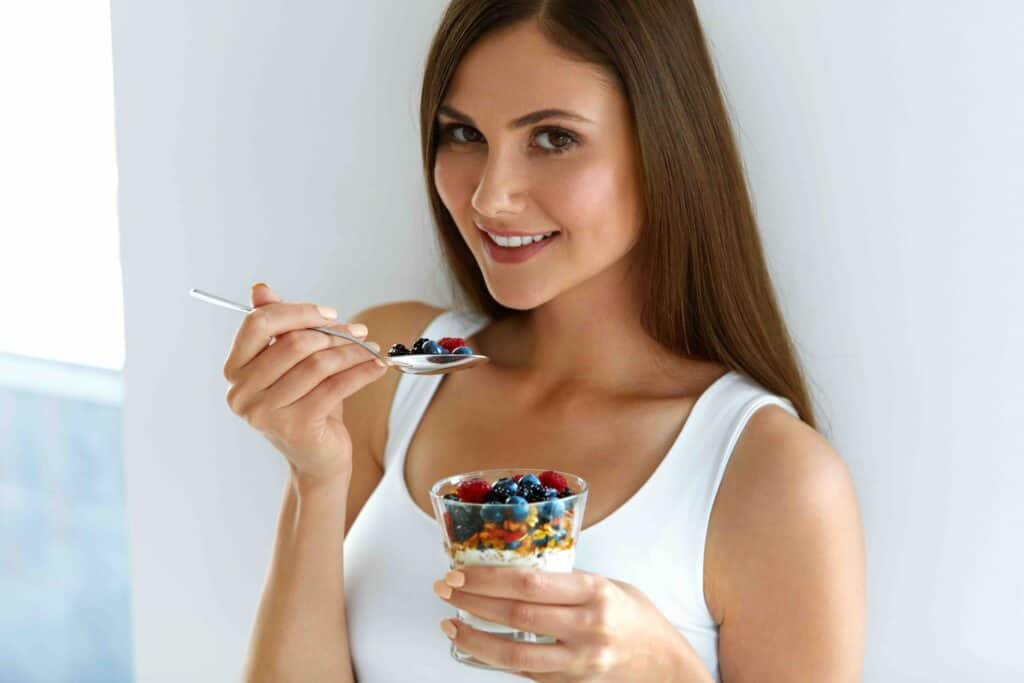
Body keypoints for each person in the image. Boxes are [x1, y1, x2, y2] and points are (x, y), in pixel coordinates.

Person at [223, 1, 865, 681]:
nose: (491, 199)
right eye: (464, 133)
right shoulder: (396, 365)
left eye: (553, 138)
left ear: (664, 145)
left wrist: (666, 672)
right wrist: (315, 479)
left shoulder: (772, 477)